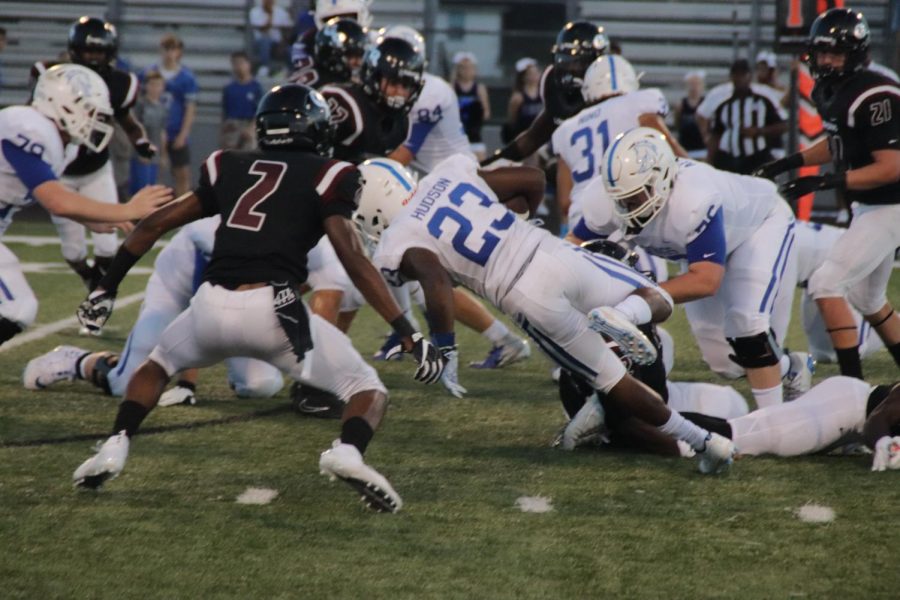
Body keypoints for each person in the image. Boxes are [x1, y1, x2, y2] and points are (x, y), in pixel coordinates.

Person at [71, 84, 445, 514]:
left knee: (157, 366)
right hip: (274, 311)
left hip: (209, 305)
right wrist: (408, 333)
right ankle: (347, 452)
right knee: (366, 388)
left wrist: (106, 286)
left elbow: (154, 224)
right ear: (316, 128)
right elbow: (353, 258)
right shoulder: (331, 173)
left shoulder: (227, 164)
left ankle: (116, 444)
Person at [356, 152, 736, 473]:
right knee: (653, 293)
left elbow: (436, 285)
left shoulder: (398, 237)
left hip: (524, 293)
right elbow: (533, 178)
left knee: (613, 380)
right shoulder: (447, 175)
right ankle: (627, 314)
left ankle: (704, 443)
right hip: (552, 252)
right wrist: (517, 219)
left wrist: (446, 348)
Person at [569, 127, 807, 409]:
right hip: (698, 247)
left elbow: (706, 280)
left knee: (746, 326)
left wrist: (636, 297)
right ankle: (791, 367)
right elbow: (573, 245)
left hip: (758, 227)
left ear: (662, 180)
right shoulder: (606, 199)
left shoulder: (693, 199)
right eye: (620, 198)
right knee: (725, 363)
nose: (625, 205)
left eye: (635, 196)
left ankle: (775, 422)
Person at [756, 8, 900, 379]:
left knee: (825, 283)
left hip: (891, 204)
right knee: (867, 298)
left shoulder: (876, 93)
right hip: (871, 204)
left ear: (855, 53)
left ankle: (853, 385)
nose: (827, 60)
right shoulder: (832, 89)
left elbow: (891, 166)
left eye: (835, 53)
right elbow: (838, 142)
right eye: (822, 53)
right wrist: (788, 162)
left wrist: (826, 183)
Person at [0, 64, 172, 347]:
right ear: (61, 104)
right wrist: (127, 209)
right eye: (88, 109)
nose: (94, 118)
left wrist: (90, 220)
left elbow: (46, 194)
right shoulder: (28, 125)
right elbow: (55, 199)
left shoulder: (61, 144)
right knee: (16, 307)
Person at [24, 216, 284, 403]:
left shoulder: (298, 228)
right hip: (176, 288)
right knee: (126, 384)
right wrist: (186, 381)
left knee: (261, 385)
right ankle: (77, 361)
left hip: (232, 299)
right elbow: (199, 304)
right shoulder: (212, 231)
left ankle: (238, 370)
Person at [31, 17, 156, 291]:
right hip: (60, 174)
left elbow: (129, 122)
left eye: (99, 51)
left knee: (108, 244)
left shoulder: (119, 83)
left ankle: (100, 288)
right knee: (73, 252)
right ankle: (88, 276)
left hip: (96, 169)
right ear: (75, 49)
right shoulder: (52, 76)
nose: (93, 57)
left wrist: (141, 142)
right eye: (88, 51)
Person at [552, 54, 687, 231]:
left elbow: (564, 202)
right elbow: (674, 155)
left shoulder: (566, 129)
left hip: (583, 220)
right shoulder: (639, 103)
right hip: (631, 209)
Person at [482, 21, 608, 167]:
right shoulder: (554, 84)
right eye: (565, 60)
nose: (570, 68)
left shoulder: (610, 89)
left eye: (577, 62)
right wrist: (489, 164)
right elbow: (532, 138)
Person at [319, 37, 422, 163]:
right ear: (374, 78)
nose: (399, 92)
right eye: (393, 83)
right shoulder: (345, 102)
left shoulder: (402, 122)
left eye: (406, 86)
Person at [707, 59, 787, 175]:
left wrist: (759, 131)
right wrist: (709, 161)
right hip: (729, 159)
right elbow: (716, 134)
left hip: (756, 157)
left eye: (743, 74)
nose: (739, 78)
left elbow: (783, 125)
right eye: (736, 74)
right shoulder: (724, 105)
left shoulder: (763, 101)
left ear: (749, 77)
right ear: (731, 77)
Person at [143, 34, 198, 197]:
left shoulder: (187, 78)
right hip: (154, 131)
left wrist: (183, 134)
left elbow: (190, 108)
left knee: (182, 174)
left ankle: (183, 215)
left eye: (173, 49)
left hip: (175, 131)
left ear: (179, 52)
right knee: (154, 174)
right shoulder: (149, 73)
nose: (169, 53)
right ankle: (154, 213)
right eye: (166, 49)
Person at [289, 0, 372, 86]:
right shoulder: (307, 42)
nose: (340, 26)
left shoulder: (376, 41)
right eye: (331, 20)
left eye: (347, 17)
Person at [129, 70, 168, 194]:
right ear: (146, 86)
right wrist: (142, 150)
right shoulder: (140, 105)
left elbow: (162, 132)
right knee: (140, 189)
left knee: (152, 189)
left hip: (154, 154)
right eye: (152, 84)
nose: (155, 88)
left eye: (158, 85)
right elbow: (135, 128)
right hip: (140, 154)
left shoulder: (162, 108)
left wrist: (163, 154)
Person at [221, 51, 264, 150]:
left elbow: (259, 111)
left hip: (248, 123)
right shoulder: (229, 88)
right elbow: (225, 112)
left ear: (248, 64)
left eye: (241, 63)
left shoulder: (256, 88)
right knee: (230, 155)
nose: (238, 67)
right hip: (232, 125)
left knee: (248, 156)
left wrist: (251, 128)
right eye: (235, 63)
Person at [451, 52, 490, 160]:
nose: (466, 71)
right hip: (456, 136)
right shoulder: (452, 87)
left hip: (474, 136)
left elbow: (486, 113)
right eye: (463, 68)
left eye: (469, 68)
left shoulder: (479, 88)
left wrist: (476, 113)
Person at [504, 58, 542, 150]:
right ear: (523, 77)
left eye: (536, 73)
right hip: (524, 138)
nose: (534, 76)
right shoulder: (518, 97)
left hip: (541, 137)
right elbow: (512, 121)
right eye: (530, 74)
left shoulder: (543, 93)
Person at [249, 0, 293, 76]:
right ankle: (265, 67)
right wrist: (270, 15)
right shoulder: (254, 12)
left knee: (290, 49)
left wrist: (283, 43)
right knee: (265, 41)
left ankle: (291, 71)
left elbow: (288, 29)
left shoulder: (281, 12)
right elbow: (263, 30)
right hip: (259, 43)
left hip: (277, 44)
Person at [674, 70, 706, 159]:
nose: (694, 87)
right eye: (692, 84)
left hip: (701, 149)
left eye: (697, 84)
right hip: (685, 148)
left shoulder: (705, 104)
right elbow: (677, 124)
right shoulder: (681, 105)